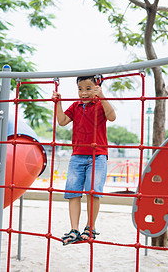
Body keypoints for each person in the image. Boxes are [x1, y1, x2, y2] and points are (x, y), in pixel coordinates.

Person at [52, 75, 116, 246]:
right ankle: (74, 229)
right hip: (77, 155)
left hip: (98, 155)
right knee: (73, 192)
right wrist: (58, 103)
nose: (84, 93)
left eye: (88, 88)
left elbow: (112, 117)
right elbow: (62, 121)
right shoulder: (76, 106)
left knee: (93, 191)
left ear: (97, 87)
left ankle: (90, 227)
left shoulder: (101, 104)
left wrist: (102, 96)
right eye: (80, 89)